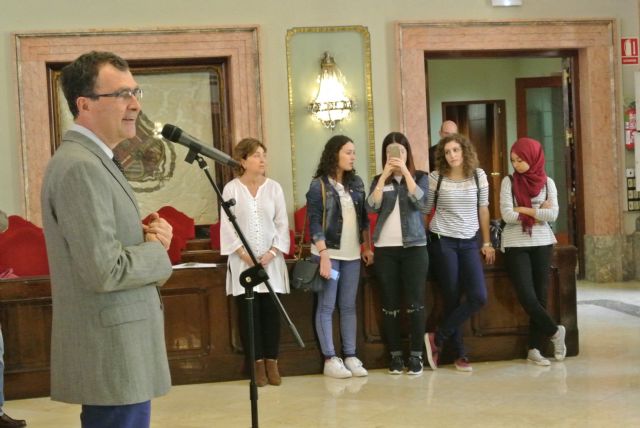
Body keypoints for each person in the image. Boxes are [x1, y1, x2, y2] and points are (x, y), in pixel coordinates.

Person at [41, 51, 174, 428]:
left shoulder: (95, 159)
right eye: (122, 94)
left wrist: (146, 236)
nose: (135, 104)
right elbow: (103, 270)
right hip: (113, 351)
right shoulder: (81, 166)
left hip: (121, 348)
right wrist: (156, 250)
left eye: (136, 91)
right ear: (84, 104)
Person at [220, 138, 290, 387]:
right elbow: (227, 228)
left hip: (270, 263)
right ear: (242, 160)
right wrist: (245, 255)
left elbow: (282, 224)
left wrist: (271, 253)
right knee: (249, 315)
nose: (262, 160)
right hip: (243, 263)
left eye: (264, 155)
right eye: (256, 155)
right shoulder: (231, 189)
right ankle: (256, 365)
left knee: (271, 314)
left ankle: (272, 362)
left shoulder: (274, 188)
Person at [424, 133, 495, 372]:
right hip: (443, 240)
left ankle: (438, 337)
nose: (452, 155)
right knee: (451, 297)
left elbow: (483, 210)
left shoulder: (478, 175)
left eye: (456, 150)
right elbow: (426, 209)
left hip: (469, 241)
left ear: (464, 150)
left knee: (478, 296)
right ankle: (461, 354)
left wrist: (486, 242)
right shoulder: (436, 177)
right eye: (447, 152)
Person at [306, 135, 374, 379]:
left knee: (348, 306)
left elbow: (364, 219)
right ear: (335, 153)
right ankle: (329, 358)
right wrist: (323, 254)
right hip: (328, 254)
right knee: (327, 305)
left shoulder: (356, 183)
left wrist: (366, 247)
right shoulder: (319, 186)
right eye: (348, 152)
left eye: (354, 152)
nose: (353, 157)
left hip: (351, 256)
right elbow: (313, 222)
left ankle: (351, 355)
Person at [367, 132, 429, 375]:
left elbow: (423, 205)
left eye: (400, 152)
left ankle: (416, 356)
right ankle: (394, 356)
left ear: (407, 153)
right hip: (385, 249)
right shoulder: (378, 179)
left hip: (415, 248)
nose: (396, 157)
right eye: (391, 153)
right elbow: (371, 206)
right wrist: (384, 177)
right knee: (389, 304)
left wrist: (405, 174)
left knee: (416, 303)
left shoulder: (421, 177)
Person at [500, 137, 566, 366]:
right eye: (513, 160)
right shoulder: (508, 182)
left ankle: (534, 349)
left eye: (521, 160)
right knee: (527, 297)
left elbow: (553, 215)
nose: (517, 165)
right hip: (515, 244)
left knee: (540, 296)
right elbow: (507, 215)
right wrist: (539, 211)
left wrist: (525, 209)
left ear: (533, 158)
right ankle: (556, 332)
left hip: (542, 242)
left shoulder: (548, 183)